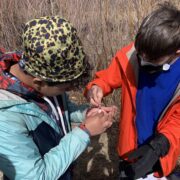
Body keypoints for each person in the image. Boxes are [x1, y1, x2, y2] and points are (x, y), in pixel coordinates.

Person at [0, 16, 116, 180]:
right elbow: (36, 176)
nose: (68, 90)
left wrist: (86, 114)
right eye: (66, 87)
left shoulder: (40, 67)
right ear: (39, 83)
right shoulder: (4, 120)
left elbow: (59, 111)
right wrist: (84, 132)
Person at [85, 3, 180, 180]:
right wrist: (96, 87)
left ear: (176, 51)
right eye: (140, 55)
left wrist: (161, 144)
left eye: (151, 59)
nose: (143, 61)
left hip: (160, 153)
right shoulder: (133, 54)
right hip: (128, 149)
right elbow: (108, 77)